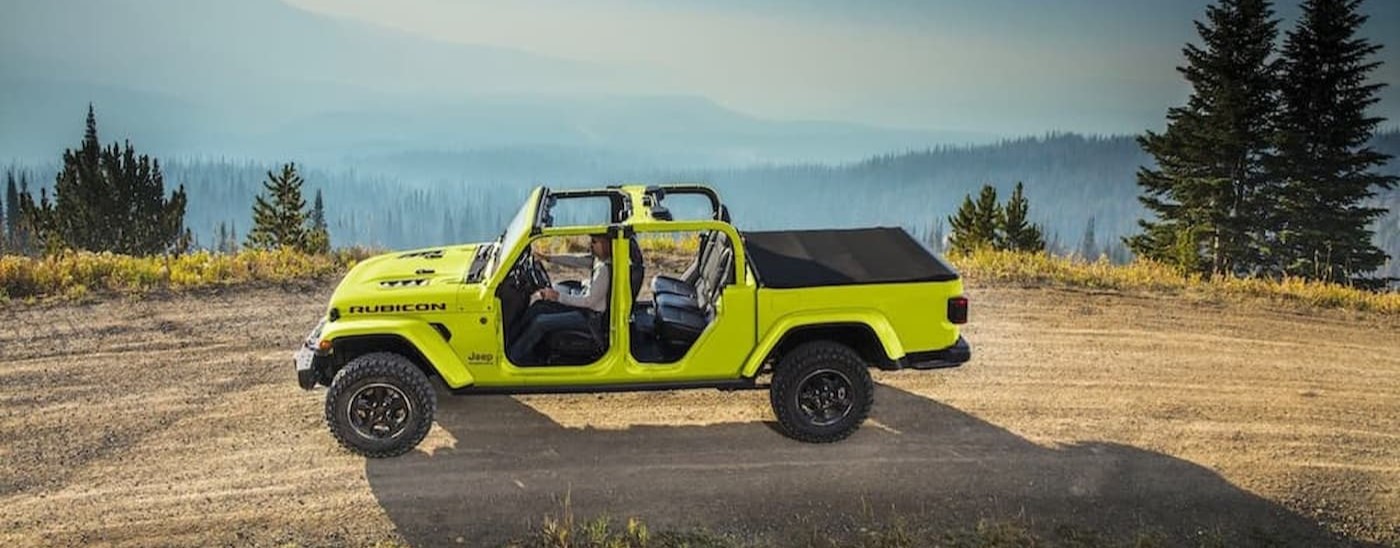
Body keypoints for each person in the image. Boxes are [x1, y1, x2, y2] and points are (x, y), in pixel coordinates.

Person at [508, 234, 612, 364]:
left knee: (540, 322)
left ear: (606, 245)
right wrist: (547, 258)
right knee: (538, 307)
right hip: (586, 310)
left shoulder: (603, 270)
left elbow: (588, 301)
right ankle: (513, 340)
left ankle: (514, 357)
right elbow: (575, 261)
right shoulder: (599, 261)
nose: (591, 244)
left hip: (590, 319)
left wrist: (557, 296)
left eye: (595, 242)